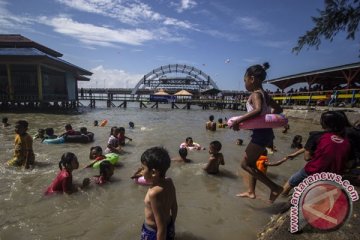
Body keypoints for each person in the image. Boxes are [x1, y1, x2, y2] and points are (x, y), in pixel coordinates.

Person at [231, 62, 284, 203]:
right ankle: (251, 192)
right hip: (266, 133)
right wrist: (266, 120)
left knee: (245, 164)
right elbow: (278, 109)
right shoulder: (265, 94)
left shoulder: (255, 94)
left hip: (261, 134)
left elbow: (258, 110)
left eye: (245, 80)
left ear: (252, 79)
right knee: (252, 163)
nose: (245, 83)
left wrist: (238, 121)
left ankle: (274, 187)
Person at [282, 111, 351, 196]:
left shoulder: (316, 135)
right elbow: (348, 162)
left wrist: (318, 156)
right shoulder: (347, 141)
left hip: (314, 170)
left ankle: (283, 195)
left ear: (323, 123)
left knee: (291, 182)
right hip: (334, 176)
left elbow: (307, 158)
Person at [140, 147, 177, 240]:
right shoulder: (169, 182)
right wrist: (172, 225)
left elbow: (161, 227)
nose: (141, 172)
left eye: (143, 168)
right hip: (169, 226)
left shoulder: (154, 193)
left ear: (153, 172)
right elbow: (175, 207)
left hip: (154, 232)